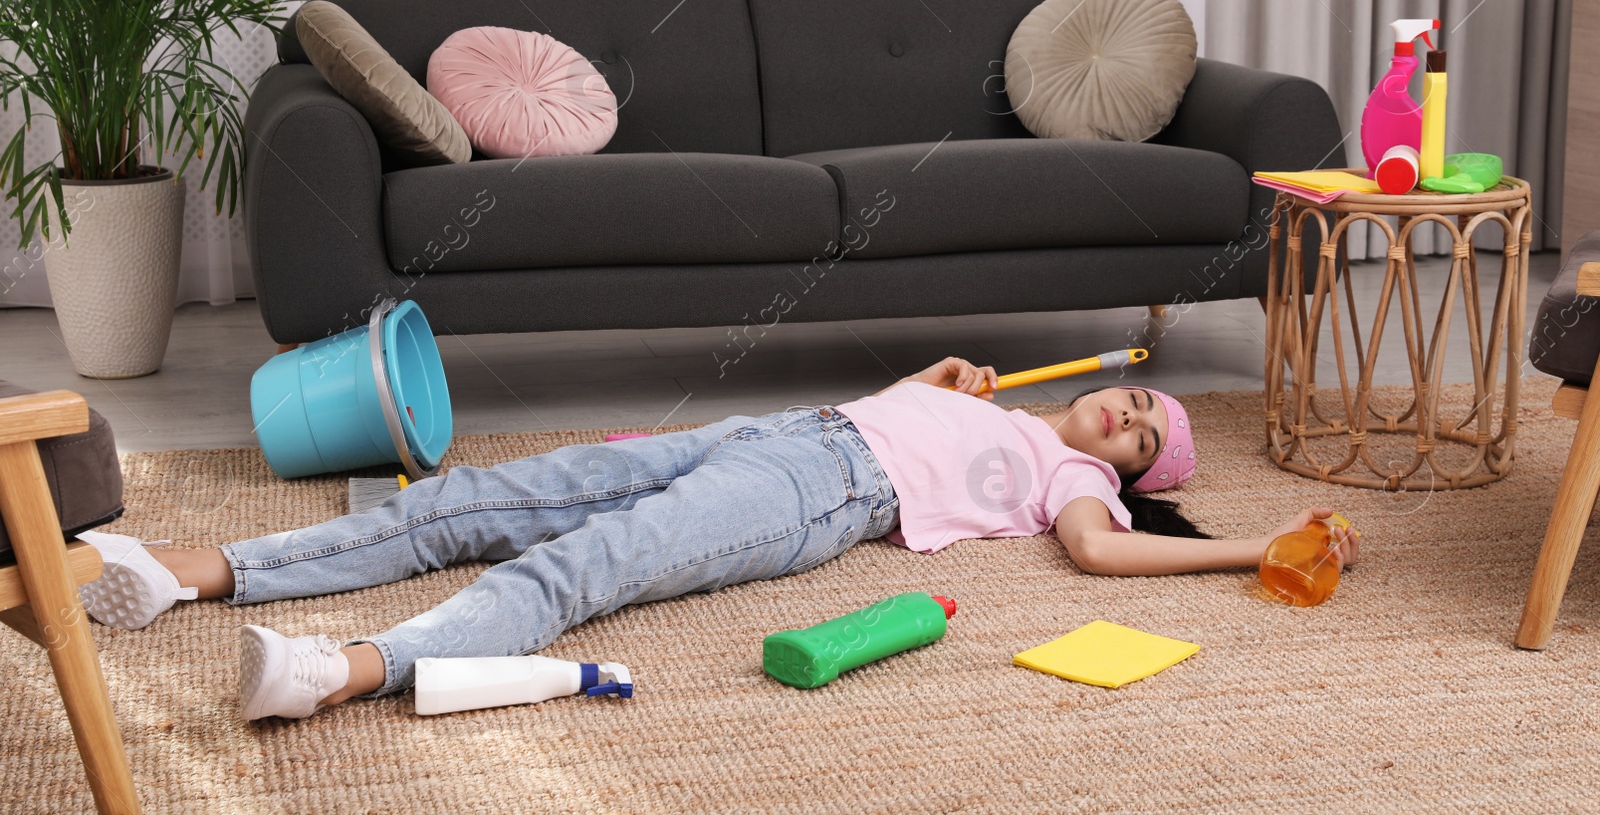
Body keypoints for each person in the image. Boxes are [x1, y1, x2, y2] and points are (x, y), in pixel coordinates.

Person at [74, 356, 1359, 721]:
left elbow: (1096, 551)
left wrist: (1239, 548)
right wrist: (932, 379)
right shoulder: (998, 406)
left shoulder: (1069, 475)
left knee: (583, 563)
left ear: (1129, 473)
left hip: (820, 496)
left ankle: (341, 668)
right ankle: (192, 570)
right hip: (783, 427)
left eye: (1144, 434)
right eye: (1135, 399)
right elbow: (894, 413)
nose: (1126, 414)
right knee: (476, 496)